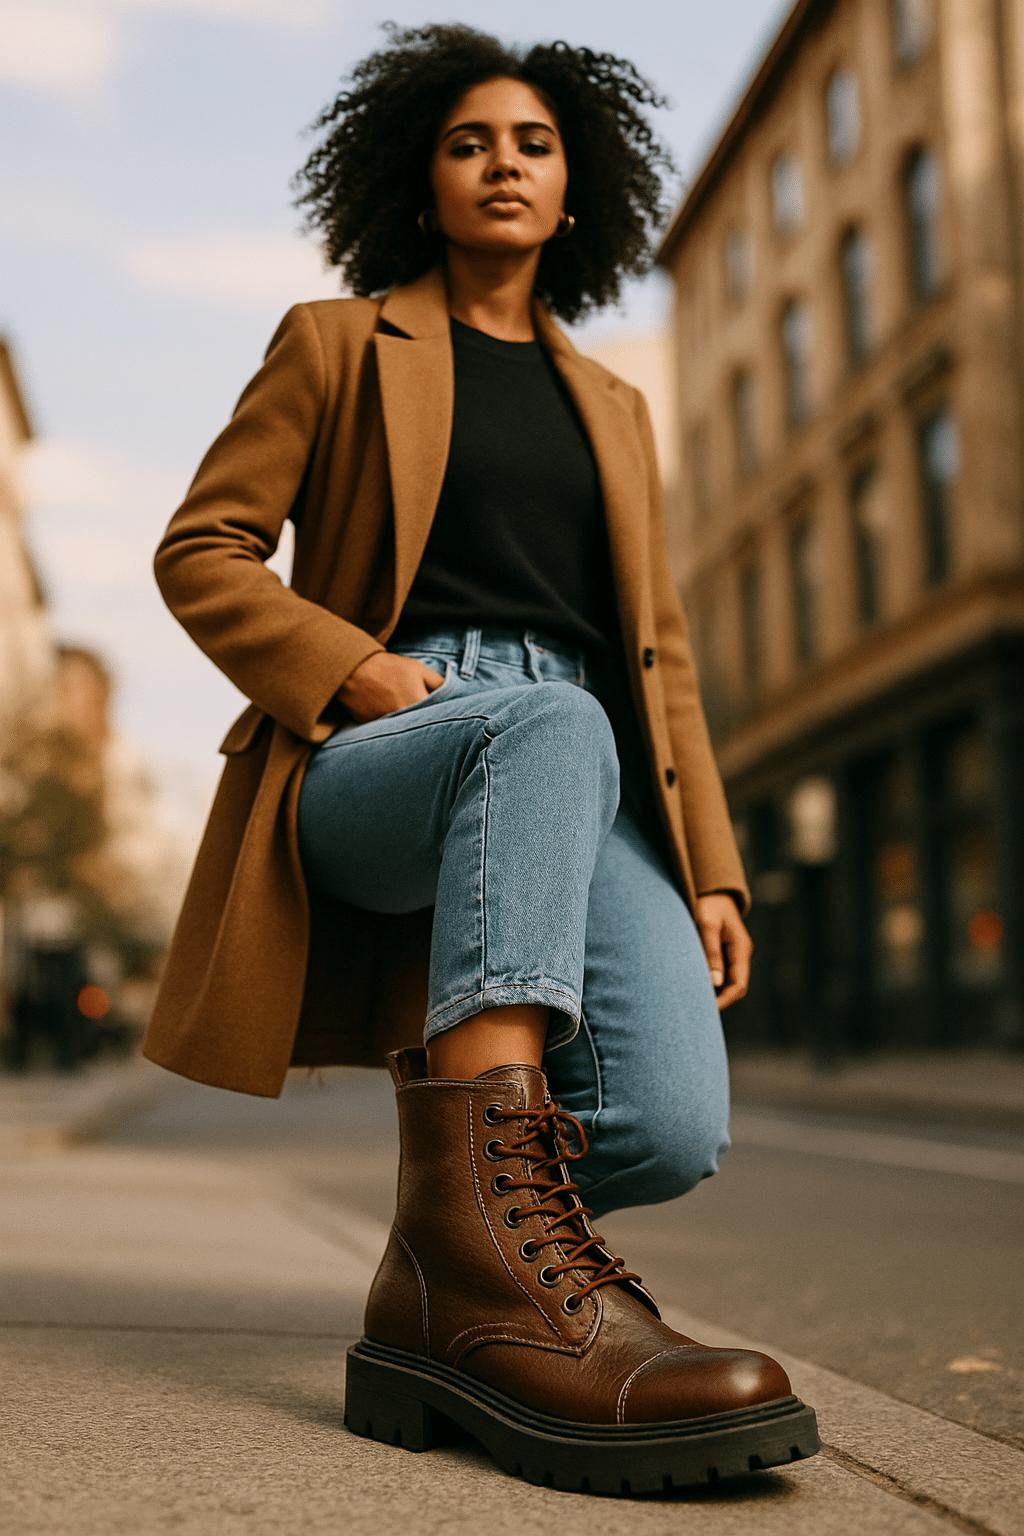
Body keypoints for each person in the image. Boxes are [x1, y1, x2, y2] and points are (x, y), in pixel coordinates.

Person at [144, 23, 818, 1495]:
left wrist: (710, 863)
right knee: (542, 716)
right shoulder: (337, 340)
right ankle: (514, 1304)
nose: (502, 164)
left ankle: (439, 1277)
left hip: (582, 757)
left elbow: (660, 648)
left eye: (531, 143)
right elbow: (203, 549)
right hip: (391, 745)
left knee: (669, 1120)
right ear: (420, 177)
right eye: (468, 143)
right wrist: (348, 666)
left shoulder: (618, 409)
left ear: (575, 185)